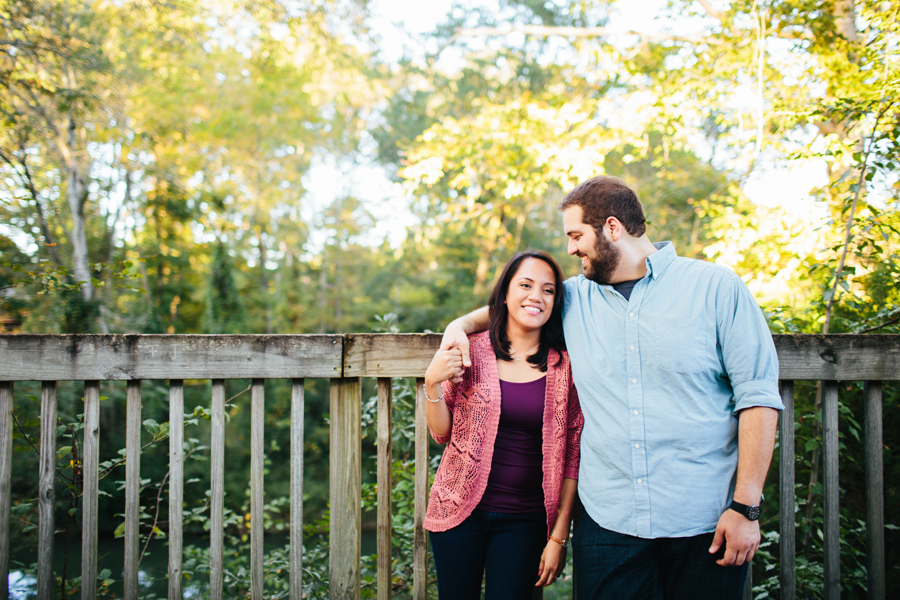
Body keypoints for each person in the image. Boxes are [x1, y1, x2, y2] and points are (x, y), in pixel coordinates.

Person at [441, 175, 783, 600]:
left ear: (612, 228)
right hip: (608, 522)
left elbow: (758, 396)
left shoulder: (716, 288)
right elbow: (512, 306)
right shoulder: (573, 300)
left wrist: (745, 508)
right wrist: (457, 327)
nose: (570, 249)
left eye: (576, 235)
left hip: (705, 521)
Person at [423, 250, 584, 600]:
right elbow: (441, 433)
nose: (536, 297)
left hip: (525, 521)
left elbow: (573, 458)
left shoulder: (565, 367)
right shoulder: (471, 352)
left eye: (548, 290)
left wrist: (558, 537)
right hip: (459, 514)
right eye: (525, 285)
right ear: (506, 293)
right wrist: (432, 384)